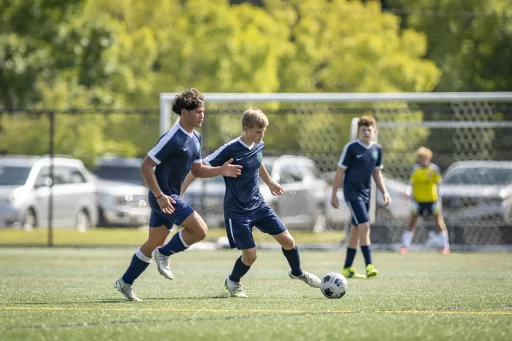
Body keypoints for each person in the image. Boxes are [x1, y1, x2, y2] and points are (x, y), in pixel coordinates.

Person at [115, 88, 242, 301]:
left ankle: (125, 282)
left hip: (170, 198)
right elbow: (146, 167)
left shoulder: (196, 137)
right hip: (164, 198)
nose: (202, 115)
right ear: (184, 112)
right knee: (200, 230)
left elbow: (197, 170)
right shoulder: (172, 137)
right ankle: (164, 254)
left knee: (153, 243)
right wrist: (159, 196)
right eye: (198, 111)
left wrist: (221, 170)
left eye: (203, 111)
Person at [181, 107, 321, 297]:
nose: (261, 136)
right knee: (251, 256)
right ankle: (233, 281)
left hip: (259, 205)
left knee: (288, 241)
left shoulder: (258, 144)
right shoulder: (230, 149)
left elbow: (258, 159)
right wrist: (181, 192)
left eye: (263, 132)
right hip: (237, 211)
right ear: (245, 129)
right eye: (257, 132)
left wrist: (270, 182)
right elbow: (197, 169)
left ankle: (297, 272)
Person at [330, 116, 391, 279]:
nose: (366, 132)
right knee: (365, 226)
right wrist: (334, 193)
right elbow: (340, 171)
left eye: (369, 129)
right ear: (358, 132)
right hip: (352, 193)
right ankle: (369, 265)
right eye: (362, 130)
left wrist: (384, 191)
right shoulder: (351, 148)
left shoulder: (377, 149)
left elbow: (377, 173)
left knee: (356, 230)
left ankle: (347, 268)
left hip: (366, 194)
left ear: (374, 131)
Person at [401, 147, 450, 255]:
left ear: (429, 158)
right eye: (421, 158)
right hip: (418, 201)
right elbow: (411, 184)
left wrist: (438, 200)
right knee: (412, 222)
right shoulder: (415, 170)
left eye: (425, 158)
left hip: (432, 201)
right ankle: (404, 246)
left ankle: (445, 246)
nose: (423, 160)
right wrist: (408, 193)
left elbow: (438, 185)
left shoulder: (434, 169)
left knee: (438, 221)